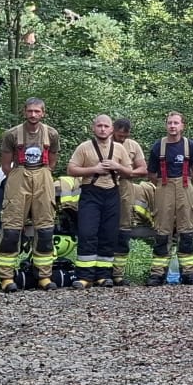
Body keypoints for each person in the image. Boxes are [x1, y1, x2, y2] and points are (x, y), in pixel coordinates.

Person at [67, 114, 144, 287]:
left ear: (111, 129)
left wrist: (118, 167)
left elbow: (130, 172)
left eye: (106, 126)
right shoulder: (84, 147)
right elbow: (71, 169)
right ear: (93, 128)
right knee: (87, 232)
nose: (102, 129)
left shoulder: (119, 149)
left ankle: (103, 275)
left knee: (109, 234)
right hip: (90, 193)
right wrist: (94, 169)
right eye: (99, 126)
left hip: (112, 193)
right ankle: (85, 276)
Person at [0, 98, 61, 291]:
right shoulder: (12, 134)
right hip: (19, 176)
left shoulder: (51, 134)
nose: (33, 114)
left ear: (43, 113)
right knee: (11, 230)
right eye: (30, 111)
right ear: (24, 112)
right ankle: (6, 277)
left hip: (43, 176)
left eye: (37, 111)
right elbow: (6, 165)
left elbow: (53, 161)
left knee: (45, 230)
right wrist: (18, 179)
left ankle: (44, 276)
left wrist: (43, 175)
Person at [147, 113, 193, 285]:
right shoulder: (158, 146)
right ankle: (157, 274)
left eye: (176, 123)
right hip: (164, 187)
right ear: (166, 125)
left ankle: (189, 273)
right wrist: (163, 185)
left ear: (182, 126)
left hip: (184, 186)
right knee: (162, 231)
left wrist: (186, 183)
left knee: (186, 231)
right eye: (169, 123)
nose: (172, 126)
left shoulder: (189, 145)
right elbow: (151, 174)